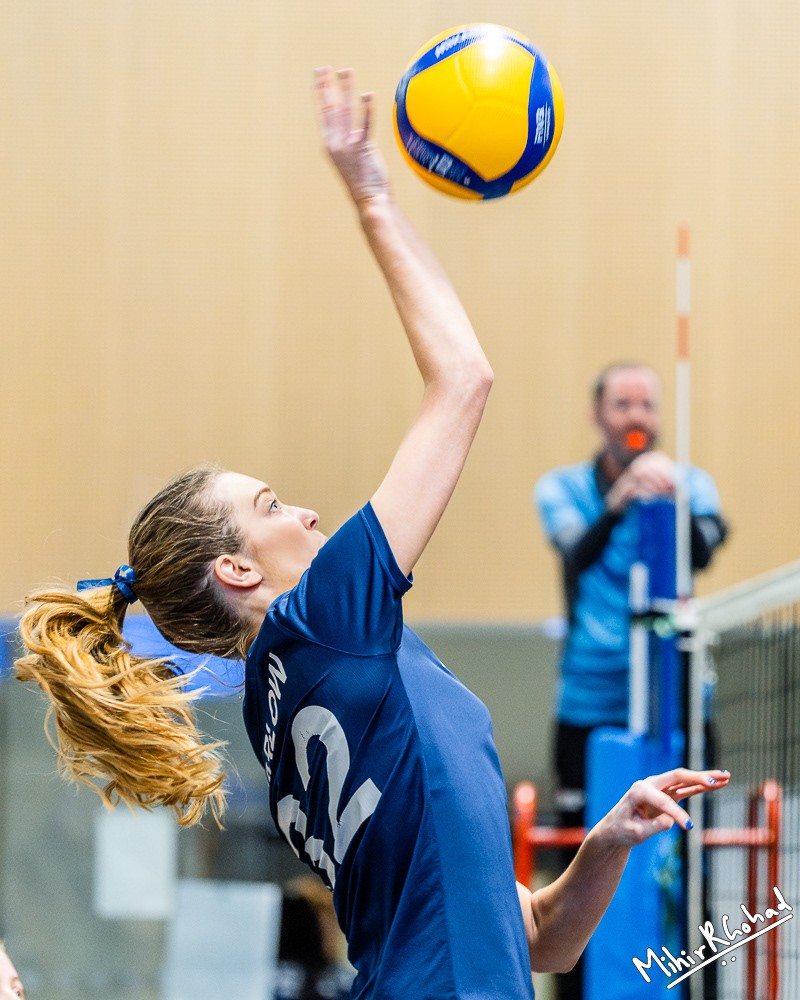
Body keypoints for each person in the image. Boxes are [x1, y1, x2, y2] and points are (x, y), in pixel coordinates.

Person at [16, 73, 729, 1000]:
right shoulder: (323, 622)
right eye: (271, 505)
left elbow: (543, 939)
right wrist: (372, 196)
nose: (307, 513)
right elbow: (464, 378)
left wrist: (600, 847)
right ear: (237, 568)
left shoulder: (293, 723)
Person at [534, 362, 727, 999]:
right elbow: (576, 554)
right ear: (599, 416)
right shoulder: (562, 488)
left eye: (646, 405)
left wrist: (668, 502)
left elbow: (705, 546)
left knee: (688, 861)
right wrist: (620, 504)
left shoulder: (688, 480)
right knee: (577, 861)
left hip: (676, 702)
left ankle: (700, 989)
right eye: (623, 405)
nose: (637, 417)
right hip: (589, 703)